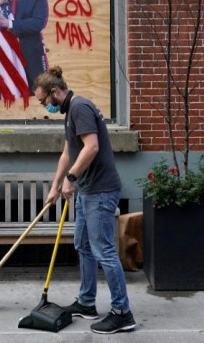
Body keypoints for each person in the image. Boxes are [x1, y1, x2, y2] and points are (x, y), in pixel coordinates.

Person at [33, 66, 136, 335]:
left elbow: (92, 147)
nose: (45, 106)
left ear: (55, 92)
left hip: (101, 191)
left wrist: (71, 178)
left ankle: (123, 313)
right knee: (84, 246)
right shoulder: (70, 113)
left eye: (44, 101)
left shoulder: (80, 108)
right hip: (87, 190)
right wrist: (56, 186)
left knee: (104, 250)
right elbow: (68, 153)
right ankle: (87, 303)